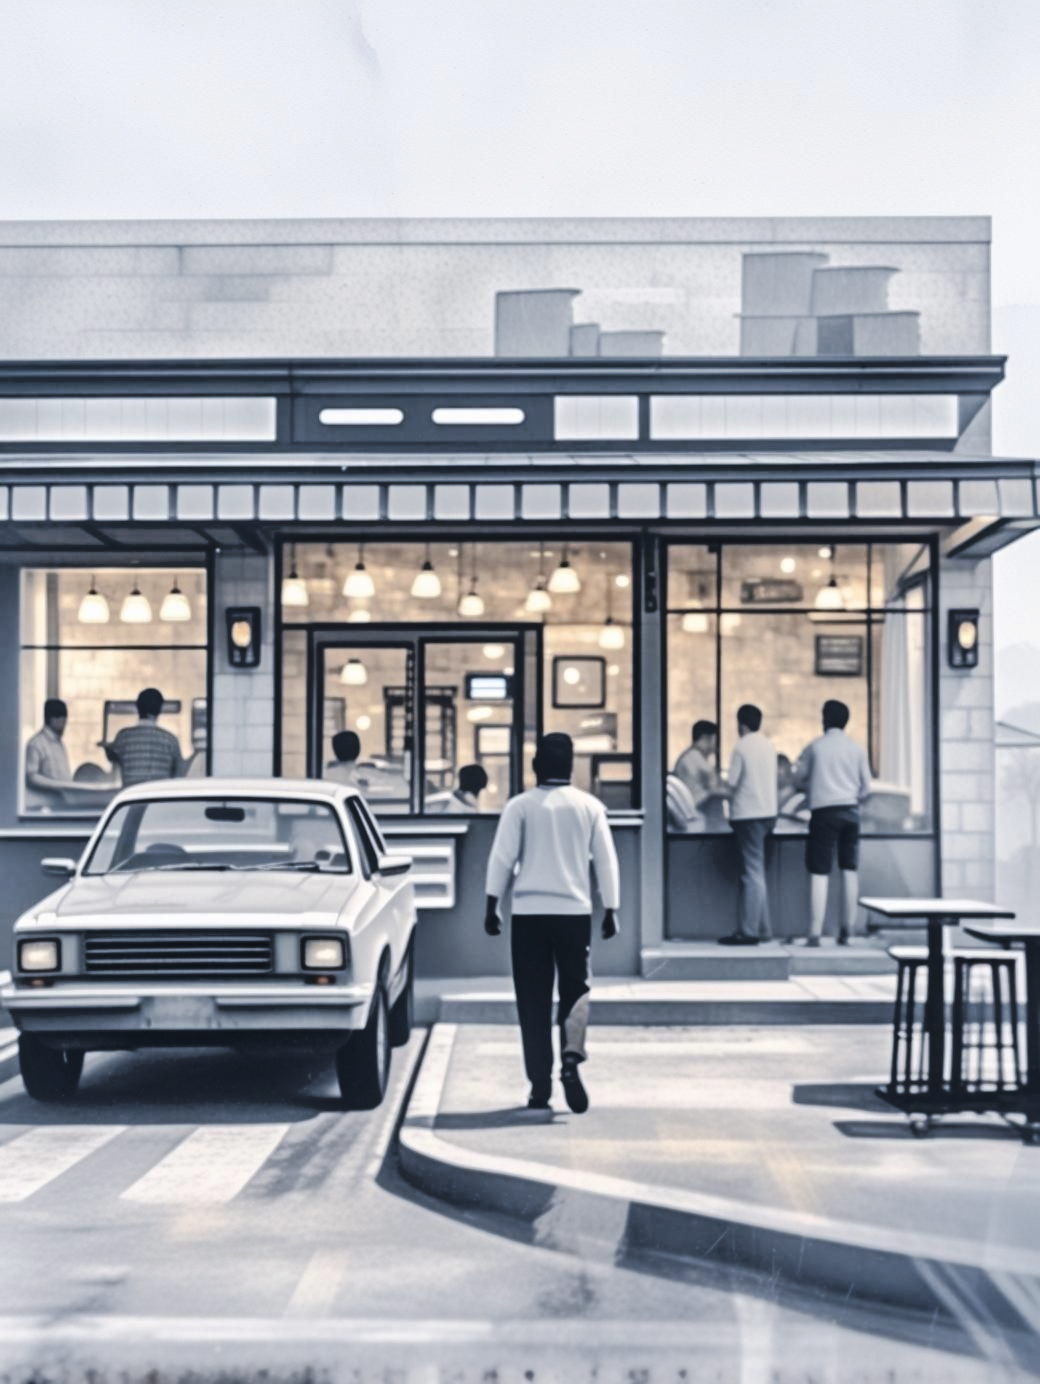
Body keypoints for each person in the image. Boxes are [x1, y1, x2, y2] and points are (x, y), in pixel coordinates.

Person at [485, 732, 621, 1114]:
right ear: (571, 765)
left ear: (535, 765)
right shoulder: (589, 806)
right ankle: (572, 1056)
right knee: (576, 988)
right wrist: (611, 907)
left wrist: (491, 904)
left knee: (532, 1001)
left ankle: (539, 1087)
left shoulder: (520, 807)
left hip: (528, 916)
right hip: (574, 915)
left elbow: (502, 858)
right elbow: (606, 861)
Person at [794, 699, 872, 947]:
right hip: (850, 811)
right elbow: (867, 788)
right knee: (849, 870)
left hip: (823, 814)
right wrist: (851, 796)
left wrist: (814, 787)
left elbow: (798, 779)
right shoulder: (857, 749)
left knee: (820, 871)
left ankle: (815, 932)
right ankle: (848, 931)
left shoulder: (815, 748)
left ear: (825, 719)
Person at [719, 704, 777, 946]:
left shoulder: (741, 747)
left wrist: (715, 790)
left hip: (748, 815)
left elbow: (732, 785)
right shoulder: (768, 745)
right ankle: (764, 928)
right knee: (758, 871)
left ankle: (748, 932)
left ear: (740, 724)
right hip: (768, 814)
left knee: (751, 873)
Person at [105, 688, 185, 787]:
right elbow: (179, 774)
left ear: (137, 707)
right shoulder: (170, 740)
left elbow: (112, 758)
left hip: (131, 798)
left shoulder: (124, 737)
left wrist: (107, 747)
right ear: (159, 710)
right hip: (159, 798)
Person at [673, 720, 728, 831]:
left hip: (687, 809)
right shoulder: (696, 759)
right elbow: (715, 787)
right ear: (706, 738)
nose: (716, 746)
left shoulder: (688, 756)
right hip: (697, 809)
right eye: (715, 740)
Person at [25, 698, 73, 811]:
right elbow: (31, 777)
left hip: (62, 803)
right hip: (45, 807)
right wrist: (57, 785)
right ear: (53, 719)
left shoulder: (59, 744)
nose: (65, 722)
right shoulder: (36, 744)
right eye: (62, 718)